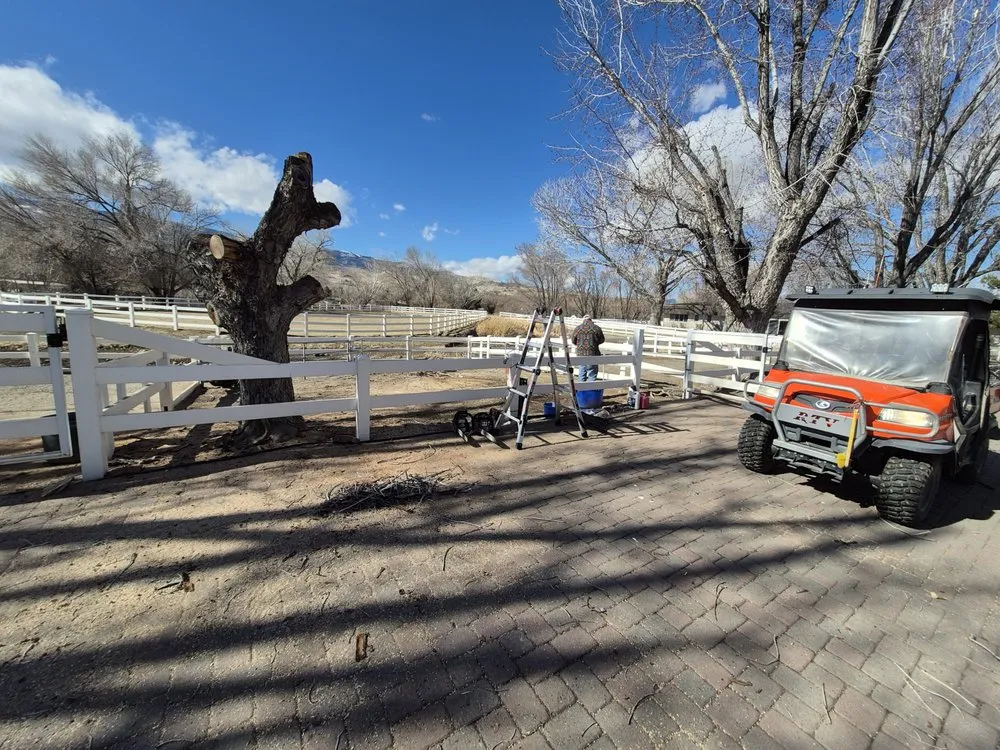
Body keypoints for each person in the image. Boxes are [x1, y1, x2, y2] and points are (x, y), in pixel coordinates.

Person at [572, 314, 605, 381]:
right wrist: (595, 343)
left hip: (581, 354)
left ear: (583, 320)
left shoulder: (577, 328)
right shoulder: (596, 328)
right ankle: (590, 390)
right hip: (593, 354)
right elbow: (602, 340)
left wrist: (579, 345)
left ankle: (581, 390)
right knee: (592, 374)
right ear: (590, 320)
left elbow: (573, 340)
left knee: (581, 374)